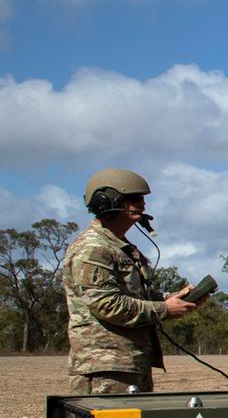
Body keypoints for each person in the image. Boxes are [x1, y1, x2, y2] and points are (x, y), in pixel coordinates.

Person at [61, 168, 199, 394]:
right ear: (106, 202)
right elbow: (107, 305)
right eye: (135, 199)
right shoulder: (93, 249)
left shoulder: (120, 247)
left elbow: (134, 297)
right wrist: (163, 309)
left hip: (129, 363)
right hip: (106, 366)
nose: (143, 205)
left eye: (143, 199)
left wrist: (171, 300)